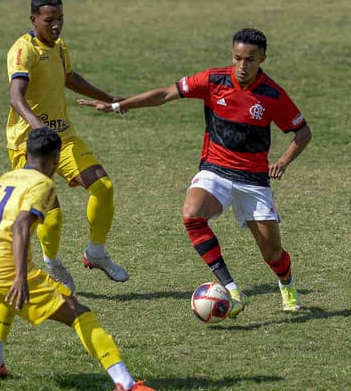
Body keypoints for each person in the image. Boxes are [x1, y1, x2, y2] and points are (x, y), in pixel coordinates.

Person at [80, 28, 312, 318]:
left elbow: (302, 131)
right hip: (215, 169)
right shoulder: (214, 80)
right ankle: (231, 289)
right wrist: (117, 105)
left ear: (262, 58)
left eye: (250, 59)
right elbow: (165, 93)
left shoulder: (272, 94)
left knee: (272, 253)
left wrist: (284, 161)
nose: (243, 66)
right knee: (192, 214)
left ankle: (286, 283)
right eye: (238, 58)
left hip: (253, 180)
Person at [0, 0, 130, 382]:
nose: (56, 24)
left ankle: (95, 252)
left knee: (104, 186)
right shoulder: (22, 51)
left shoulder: (60, 47)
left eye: (60, 17)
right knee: (50, 212)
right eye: (49, 19)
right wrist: (38, 129)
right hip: (29, 143)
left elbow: (67, 78)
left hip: (64, 136)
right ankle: (50, 263)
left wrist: (109, 98)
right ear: (33, 19)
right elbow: (16, 97)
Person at [0, 127, 154, 391]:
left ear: (26, 153)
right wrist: (19, 276)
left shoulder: (2, 180)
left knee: (5, 293)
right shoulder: (43, 184)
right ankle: (127, 384)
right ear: (55, 157)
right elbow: (20, 226)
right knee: (79, 313)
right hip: (4, 270)